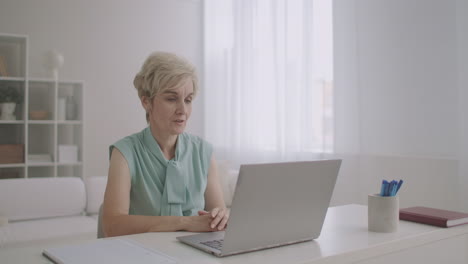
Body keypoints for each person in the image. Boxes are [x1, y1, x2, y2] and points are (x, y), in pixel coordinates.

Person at [102, 52, 229, 237]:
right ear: (146, 101)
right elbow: (112, 225)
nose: (183, 110)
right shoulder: (124, 153)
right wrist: (186, 222)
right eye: (171, 99)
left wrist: (220, 217)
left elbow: (219, 216)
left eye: (188, 100)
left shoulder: (204, 152)